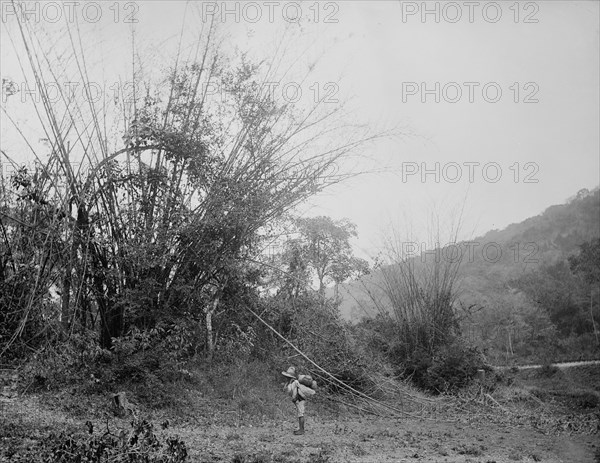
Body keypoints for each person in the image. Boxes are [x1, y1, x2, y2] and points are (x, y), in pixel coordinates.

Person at [281, 366, 306, 435]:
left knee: (301, 414)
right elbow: (287, 390)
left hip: (299, 399)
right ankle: (300, 428)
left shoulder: (295, 382)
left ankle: (302, 430)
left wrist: (297, 397)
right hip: (296, 400)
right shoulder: (290, 383)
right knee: (299, 413)